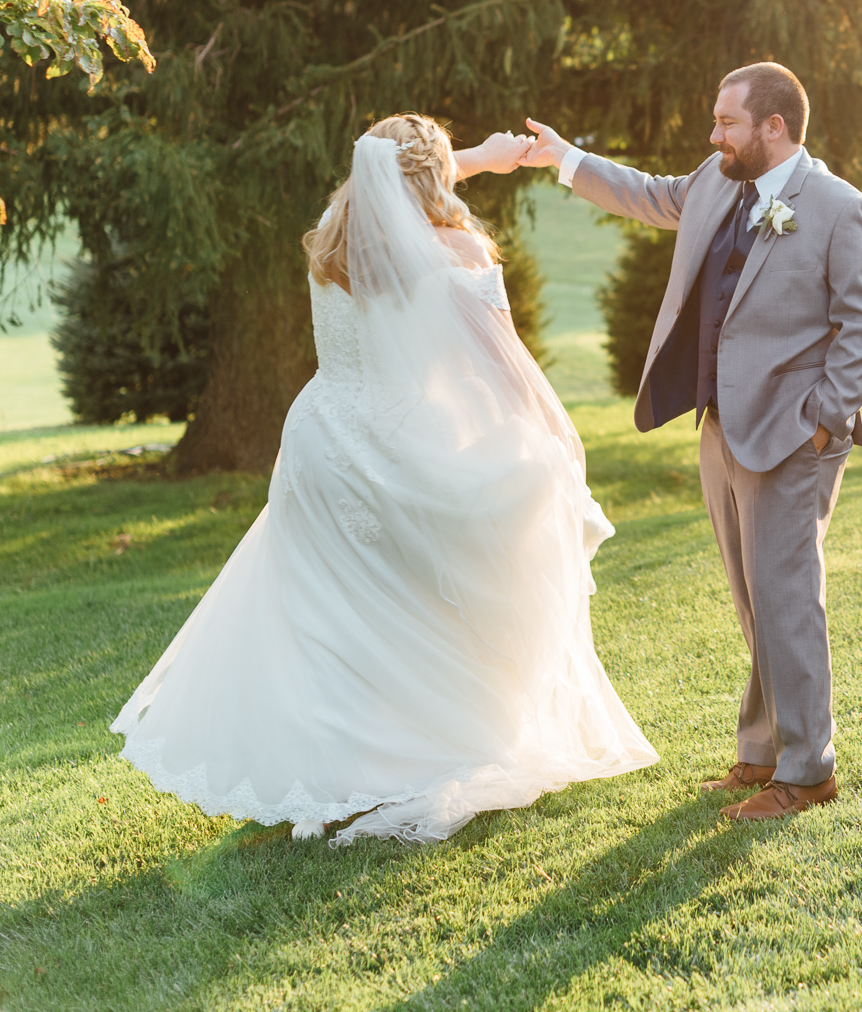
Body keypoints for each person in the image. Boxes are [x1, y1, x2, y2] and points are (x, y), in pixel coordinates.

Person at [112, 114, 656, 845]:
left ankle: (338, 773)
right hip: (400, 447)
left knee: (334, 617)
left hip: (318, 441)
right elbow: (507, 371)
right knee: (426, 602)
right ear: (429, 177)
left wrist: (474, 161)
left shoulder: (335, 231)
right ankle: (426, 750)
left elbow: (387, 180)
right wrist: (556, 442)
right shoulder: (454, 250)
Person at [499, 61, 862, 820]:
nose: (714, 137)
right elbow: (649, 193)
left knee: (788, 598)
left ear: (773, 127)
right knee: (753, 598)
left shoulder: (841, 209)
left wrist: (822, 419)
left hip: (792, 436)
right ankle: (762, 750)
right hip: (723, 427)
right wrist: (566, 160)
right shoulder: (717, 182)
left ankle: (810, 771)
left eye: (727, 123)